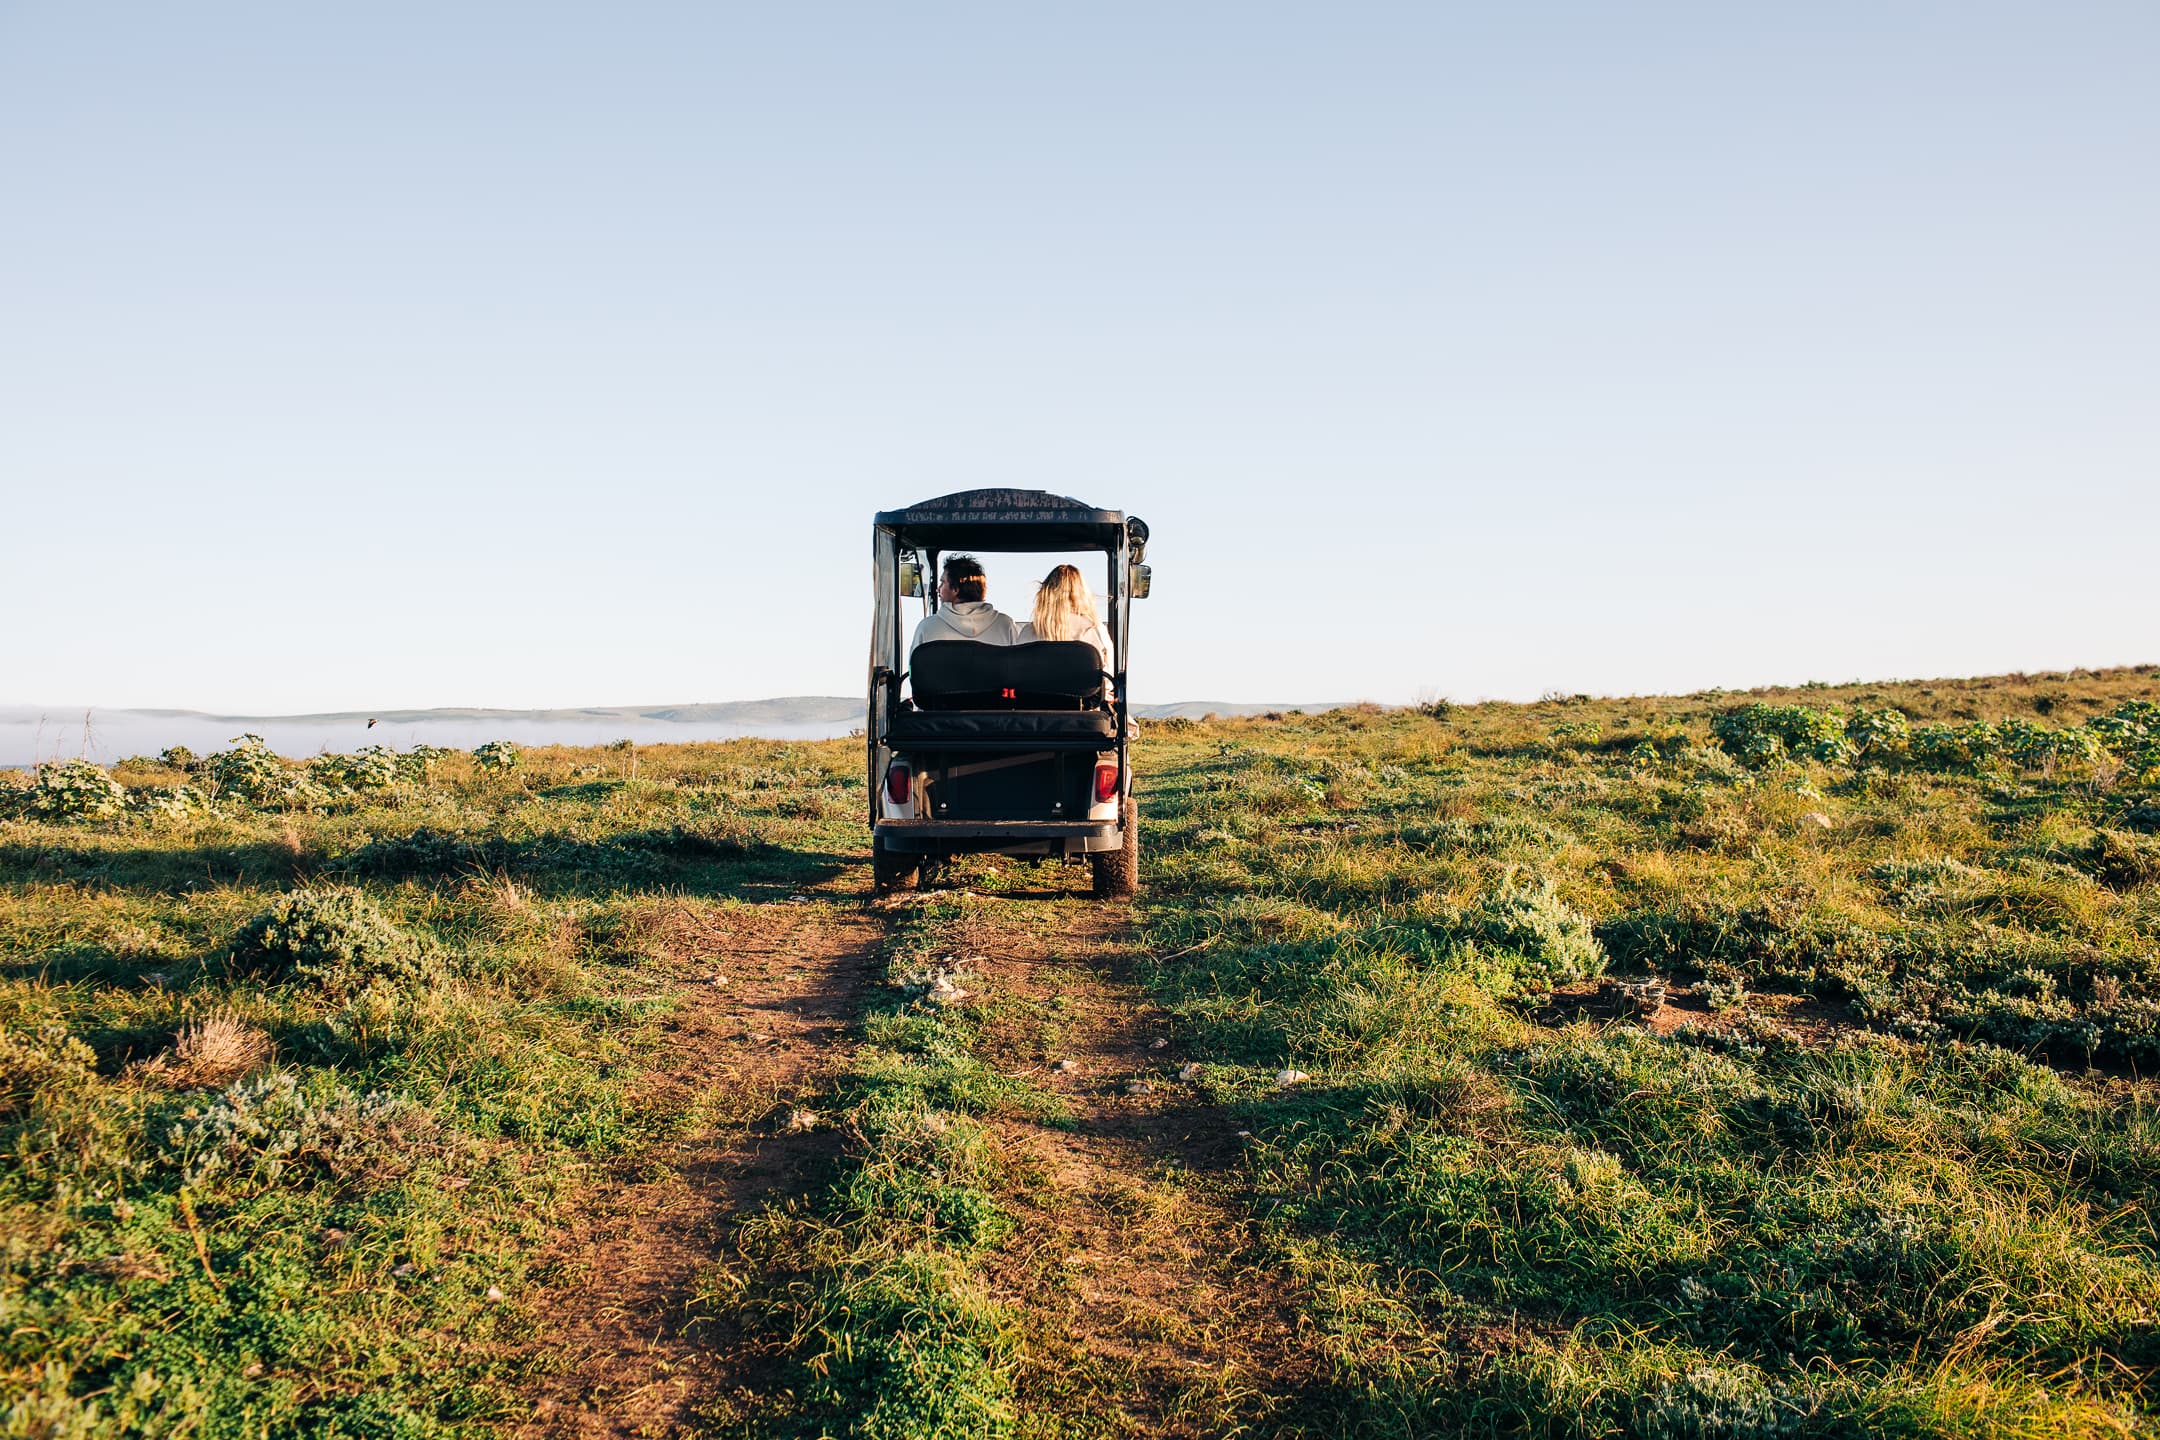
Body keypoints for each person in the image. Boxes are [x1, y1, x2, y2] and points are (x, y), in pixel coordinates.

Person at [909, 554, 1021, 654]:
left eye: (942, 583)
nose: (937, 589)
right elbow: (1018, 670)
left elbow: (915, 673)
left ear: (955, 589)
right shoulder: (1005, 625)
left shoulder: (927, 627)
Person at [1020, 564, 1112, 666]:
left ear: (1045, 593)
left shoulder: (1028, 632)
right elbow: (1108, 674)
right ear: (1082, 593)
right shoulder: (1094, 630)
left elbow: (1016, 672)